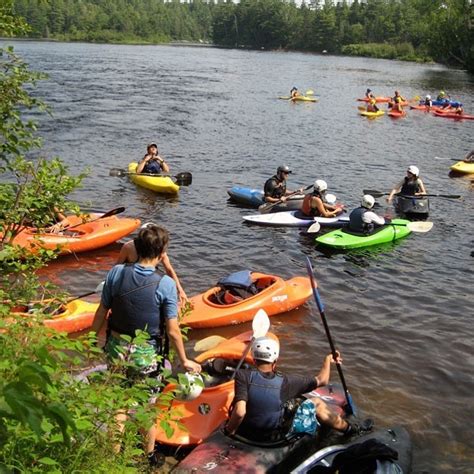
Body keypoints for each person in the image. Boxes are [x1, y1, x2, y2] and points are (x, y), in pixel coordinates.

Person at [91, 225, 201, 460]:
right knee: (146, 407)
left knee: (118, 406)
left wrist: (91, 339)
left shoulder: (116, 273)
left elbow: (102, 311)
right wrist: (184, 360)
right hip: (146, 354)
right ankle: (148, 456)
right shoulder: (166, 284)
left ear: (136, 247)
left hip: (115, 348)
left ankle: (112, 459)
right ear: (162, 252)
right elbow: (172, 330)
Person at [224, 336, 372, 443]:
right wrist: (327, 361)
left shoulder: (242, 376)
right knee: (316, 403)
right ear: (275, 361)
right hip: (271, 438)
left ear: (254, 360)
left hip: (244, 431)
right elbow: (322, 380)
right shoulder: (287, 381)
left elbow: (239, 411)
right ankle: (351, 430)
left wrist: (229, 431)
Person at [117, 223, 188, 303]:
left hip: (149, 280)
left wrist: (180, 290)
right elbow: (118, 268)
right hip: (131, 279)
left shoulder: (158, 249)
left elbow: (169, 270)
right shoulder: (128, 247)